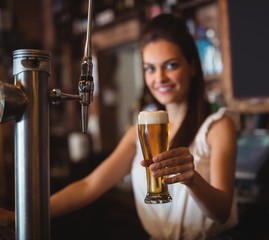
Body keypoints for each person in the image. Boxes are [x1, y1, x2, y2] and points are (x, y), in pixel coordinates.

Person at [0, 13, 238, 239]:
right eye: (150, 68)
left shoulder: (217, 126)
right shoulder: (142, 131)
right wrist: (21, 217)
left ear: (193, 66)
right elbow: (89, 186)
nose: (160, 78)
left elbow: (222, 211)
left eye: (171, 65)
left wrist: (192, 179)